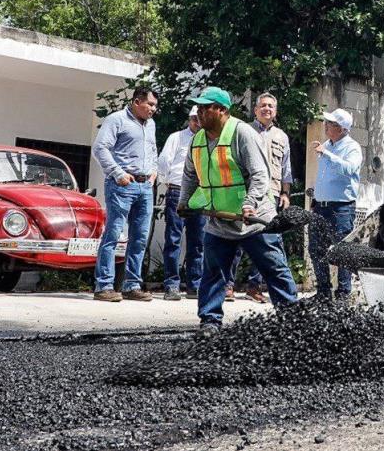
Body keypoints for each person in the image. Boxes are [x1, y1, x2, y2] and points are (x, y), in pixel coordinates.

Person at [178, 86, 298, 335]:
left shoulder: (241, 133)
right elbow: (190, 174)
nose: (199, 112)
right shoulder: (198, 140)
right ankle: (210, 321)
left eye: (205, 107)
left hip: (254, 220)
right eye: (198, 108)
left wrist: (250, 203)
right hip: (219, 219)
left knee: (274, 269)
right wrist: (184, 201)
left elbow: (260, 174)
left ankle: (292, 320)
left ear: (221, 110)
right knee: (213, 272)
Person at [225, 92, 295, 303]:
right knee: (237, 239)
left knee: (268, 242)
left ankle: (254, 286)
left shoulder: (282, 136)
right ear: (255, 110)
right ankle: (228, 286)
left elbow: (286, 168)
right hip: (245, 193)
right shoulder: (243, 131)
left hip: (271, 195)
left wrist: (285, 193)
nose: (267, 109)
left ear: (275, 111)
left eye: (271, 106)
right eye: (263, 105)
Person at [91, 86, 159, 302]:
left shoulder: (151, 124)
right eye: (150, 104)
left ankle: (132, 285)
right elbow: (100, 148)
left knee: (139, 237)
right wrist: (118, 173)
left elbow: (153, 151)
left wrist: (153, 172)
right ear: (137, 101)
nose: (153, 109)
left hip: (144, 186)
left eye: (155, 105)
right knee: (113, 234)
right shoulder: (116, 119)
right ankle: (104, 286)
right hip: (121, 185)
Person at [308, 108, 362, 302]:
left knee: (342, 250)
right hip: (321, 206)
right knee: (316, 248)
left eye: (329, 123)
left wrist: (327, 155)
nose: (325, 126)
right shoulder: (327, 145)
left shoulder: (352, 147)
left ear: (341, 128)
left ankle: (343, 294)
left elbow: (350, 169)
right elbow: (324, 176)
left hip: (341, 207)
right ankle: (323, 292)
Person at [157, 106, 206, 300]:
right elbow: (163, 161)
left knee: (198, 242)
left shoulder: (209, 139)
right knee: (174, 239)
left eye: (200, 118)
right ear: (189, 119)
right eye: (194, 118)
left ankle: (195, 285)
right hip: (178, 190)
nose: (197, 122)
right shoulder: (176, 137)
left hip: (201, 193)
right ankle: (171, 285)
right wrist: (166, 181)